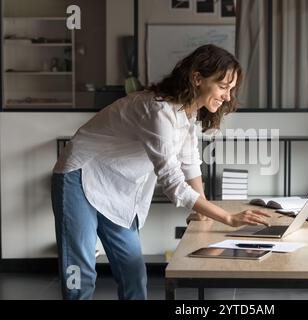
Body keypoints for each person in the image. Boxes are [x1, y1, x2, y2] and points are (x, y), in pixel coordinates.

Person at [51, 44, 271, 300]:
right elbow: (173, 184)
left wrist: (202, 212)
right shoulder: (157, 110)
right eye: (223, 87)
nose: (228, 96)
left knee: (134, 272)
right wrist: (228, 218)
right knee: (81, 273)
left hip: (117, 187)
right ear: (197, 78)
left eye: (231, 89)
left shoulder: (186, 114)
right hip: (79, 175)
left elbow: (189, 162)